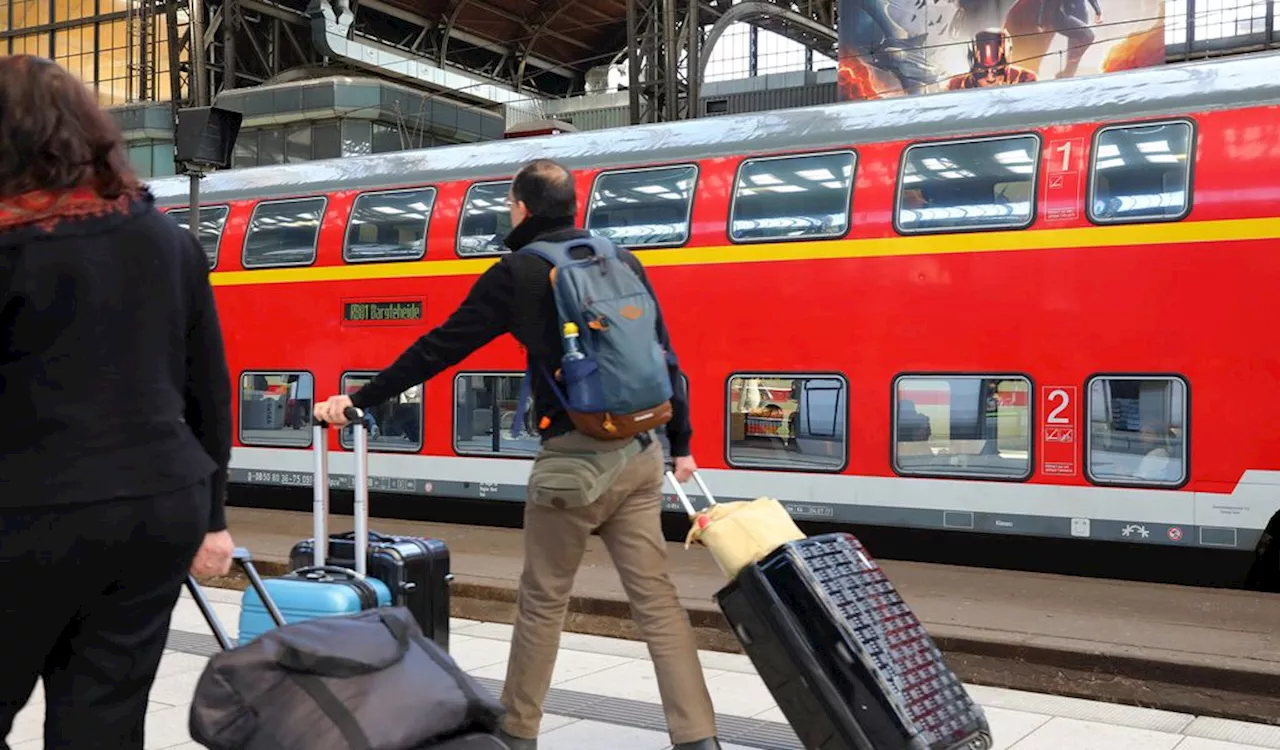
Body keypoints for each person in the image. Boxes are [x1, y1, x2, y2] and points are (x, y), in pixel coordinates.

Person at [314, 159, 721, 750]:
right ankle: (699, 738)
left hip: (573, 465)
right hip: (640, 452)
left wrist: (357, 399)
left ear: (522, 208)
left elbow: (440, 347)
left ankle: (519, 734)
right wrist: (680, 444)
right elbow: (664, 356)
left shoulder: (519, 271)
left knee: (543, 602)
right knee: (657, 603)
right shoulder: (619, 258)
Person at [0, 56, 235, 749]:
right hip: (155, 510)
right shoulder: (169, 240)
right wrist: (213, 518)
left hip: (23, 513)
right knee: (103, 719)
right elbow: (209, 392)